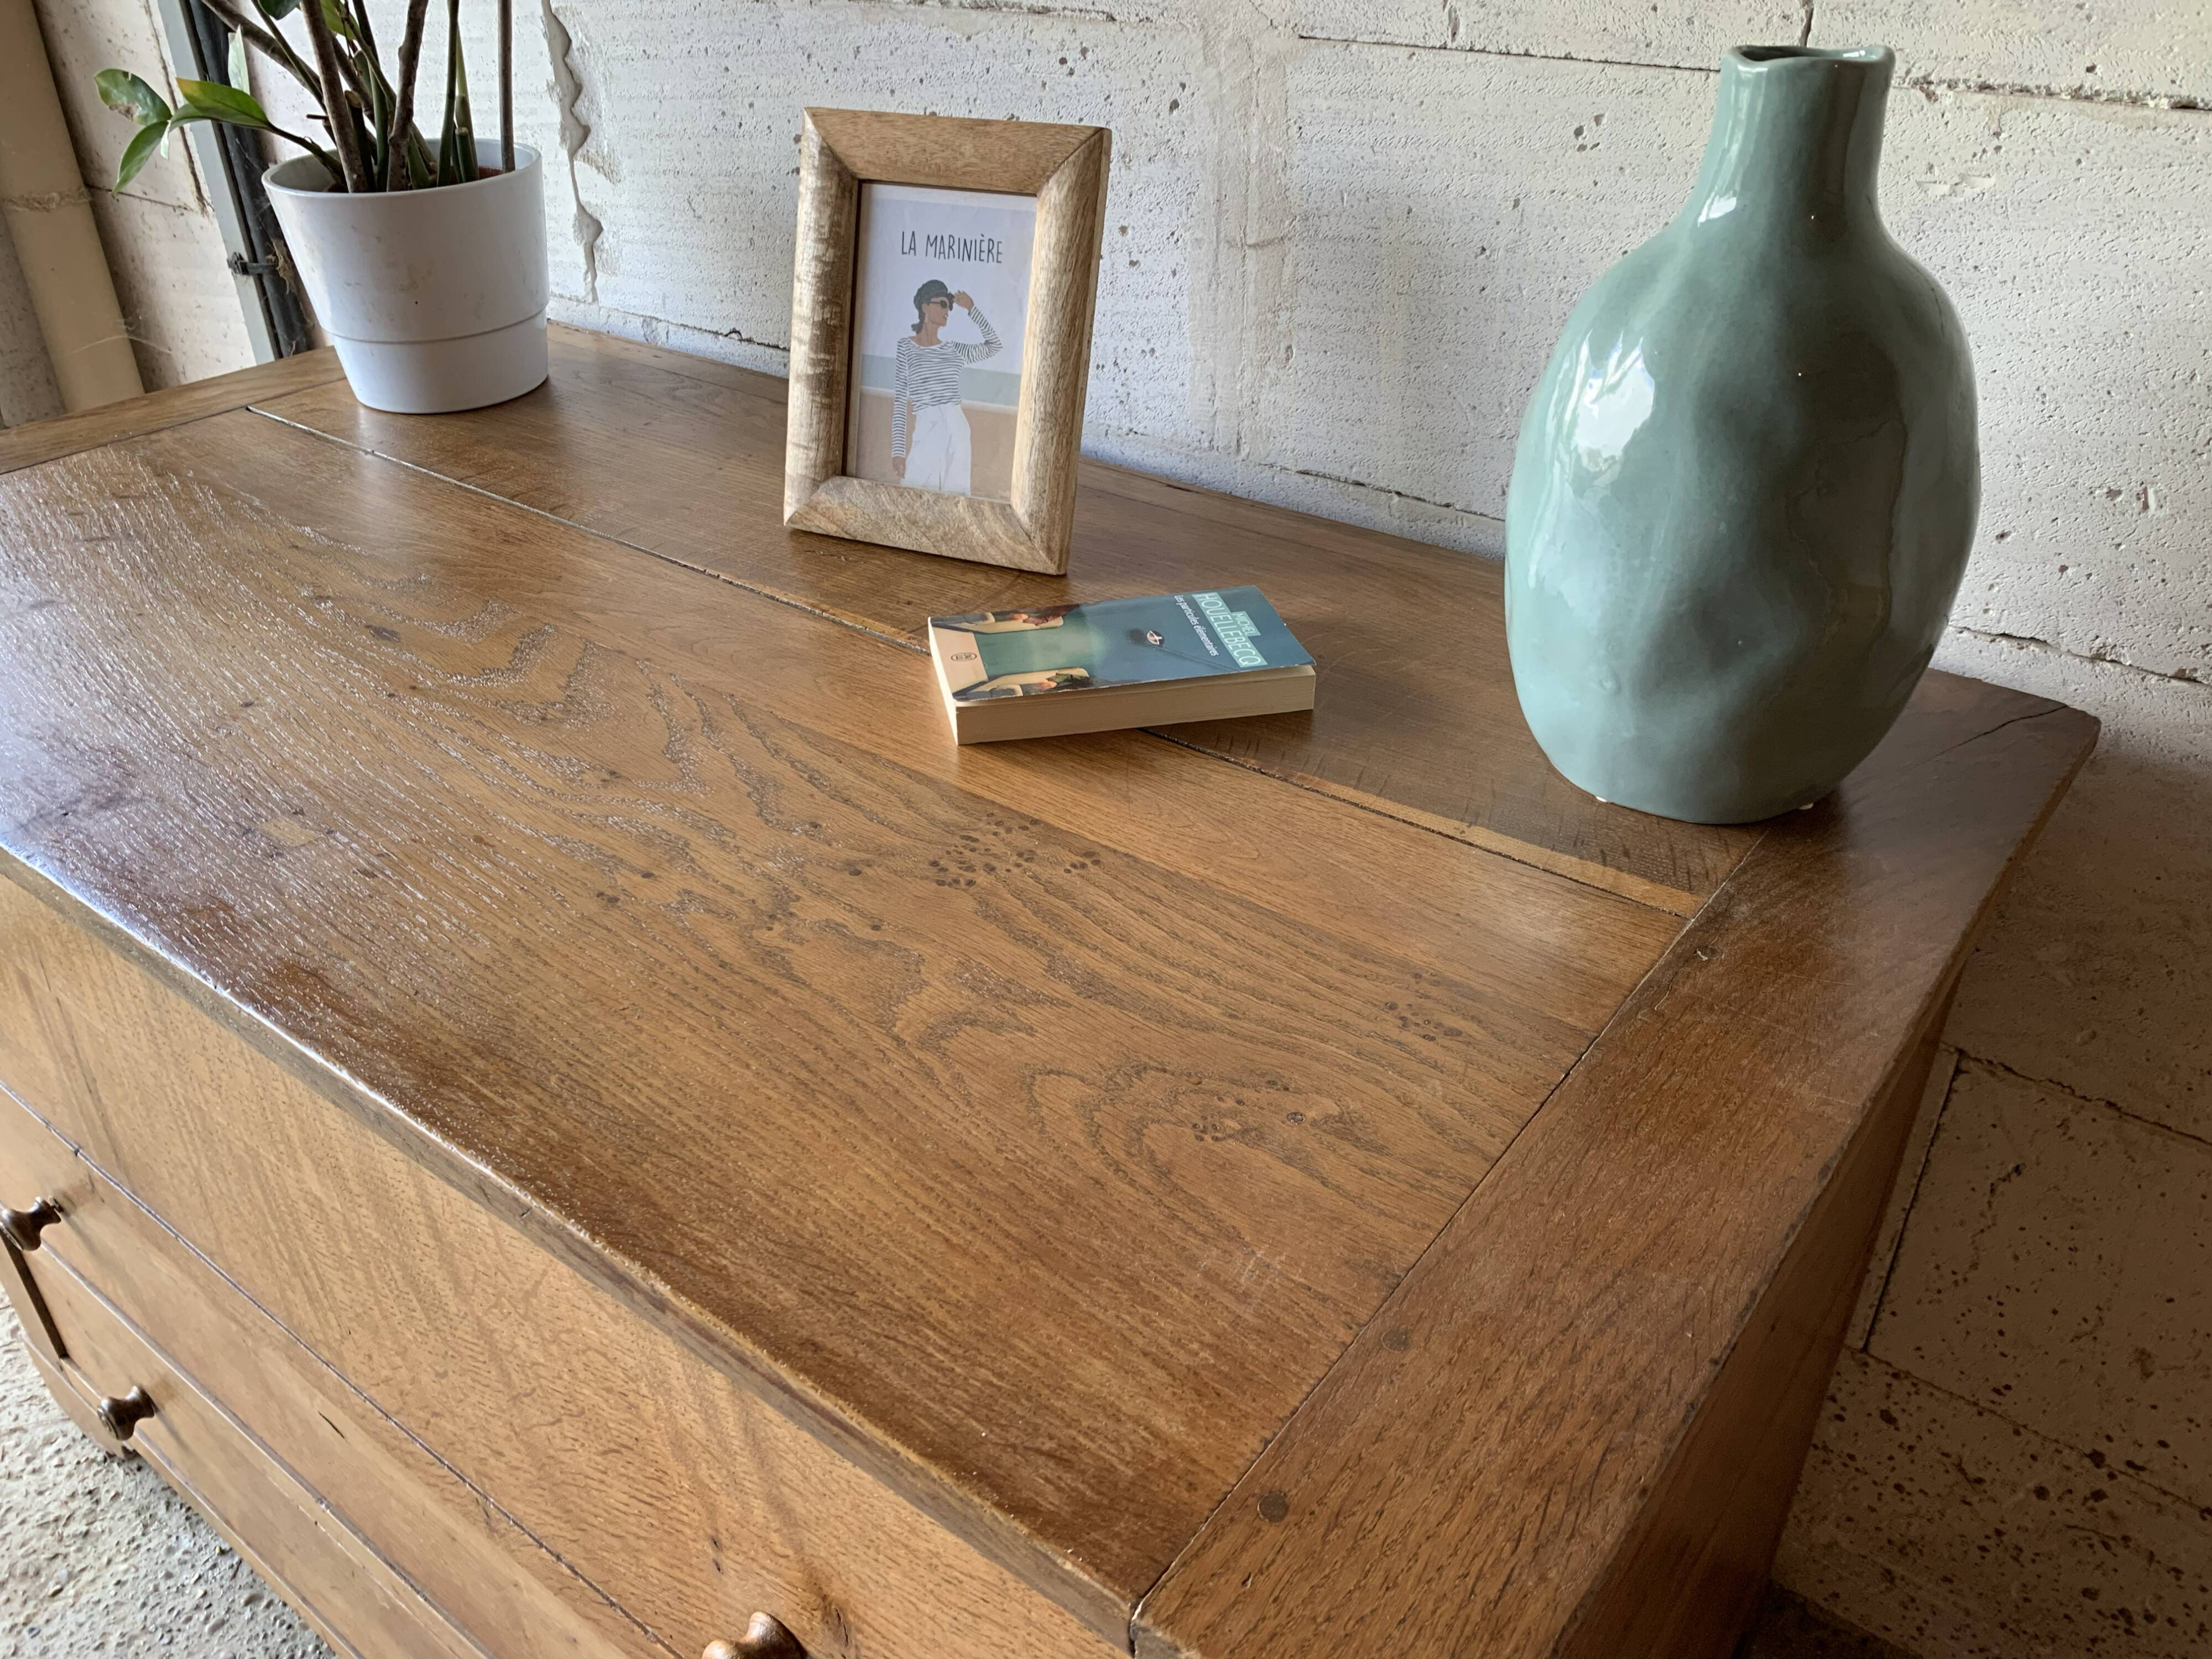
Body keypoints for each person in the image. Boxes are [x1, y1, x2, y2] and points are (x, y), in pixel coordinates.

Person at [893, 280, 1001, 494]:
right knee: (914, 492)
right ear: (925, 306)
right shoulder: (906, 347)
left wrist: (972, 309)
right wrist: (898, 450)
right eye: (942, 304)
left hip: (956, 424)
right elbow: (899, 400)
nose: (948, 311)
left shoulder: (954, 350)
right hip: (927, 424)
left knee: (956, 496)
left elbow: (994, 346)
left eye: (950, 307)